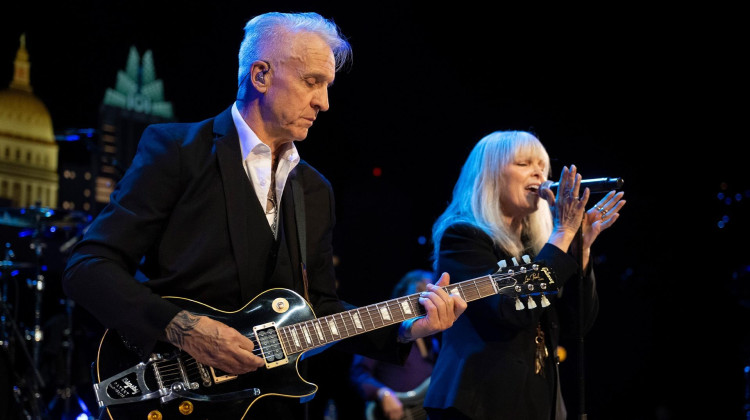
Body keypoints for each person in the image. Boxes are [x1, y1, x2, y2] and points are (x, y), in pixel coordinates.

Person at [61, 11, 466, 420]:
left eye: (327, 87)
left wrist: (405, 326)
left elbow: (320, 309)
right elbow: (88, 266)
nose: (324, 102)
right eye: (313, 82)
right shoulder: (177, 152)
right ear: (260, 75)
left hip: (272, 406)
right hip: (172, 397)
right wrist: (181, 327)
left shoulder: (314, 189)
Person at [423, 131, 625, 420]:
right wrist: (564, 233)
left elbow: (577, 325)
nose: (539, 174)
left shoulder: (541, 248)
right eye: (524, 164)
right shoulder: (463, 238)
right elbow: (510, 309)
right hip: (477, 404)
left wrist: (580, 250)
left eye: (542, 166)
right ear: (491, 175)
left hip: (537, 404)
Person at [350, 269, 439, 420]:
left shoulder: (432, 340)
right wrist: (382, 393)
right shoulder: (385, 331)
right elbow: (358, 373)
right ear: (404, 295)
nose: (427, 298)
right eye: (420, 290)